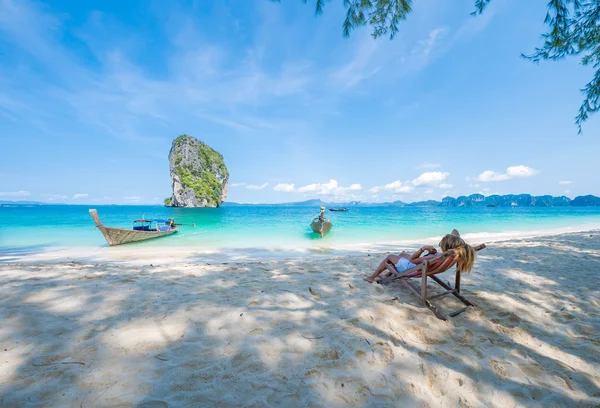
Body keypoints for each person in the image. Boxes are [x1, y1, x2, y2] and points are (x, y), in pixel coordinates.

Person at [364, 229, 476, 283]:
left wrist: (424, 248)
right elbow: (455, 231)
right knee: (402, 254)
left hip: (411, 267)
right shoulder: (454, 253)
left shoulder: (433, 258)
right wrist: (455, 239)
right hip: (423, 265)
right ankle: (389, 275)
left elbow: (413, 260)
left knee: (390, 257)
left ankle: (371, 277)